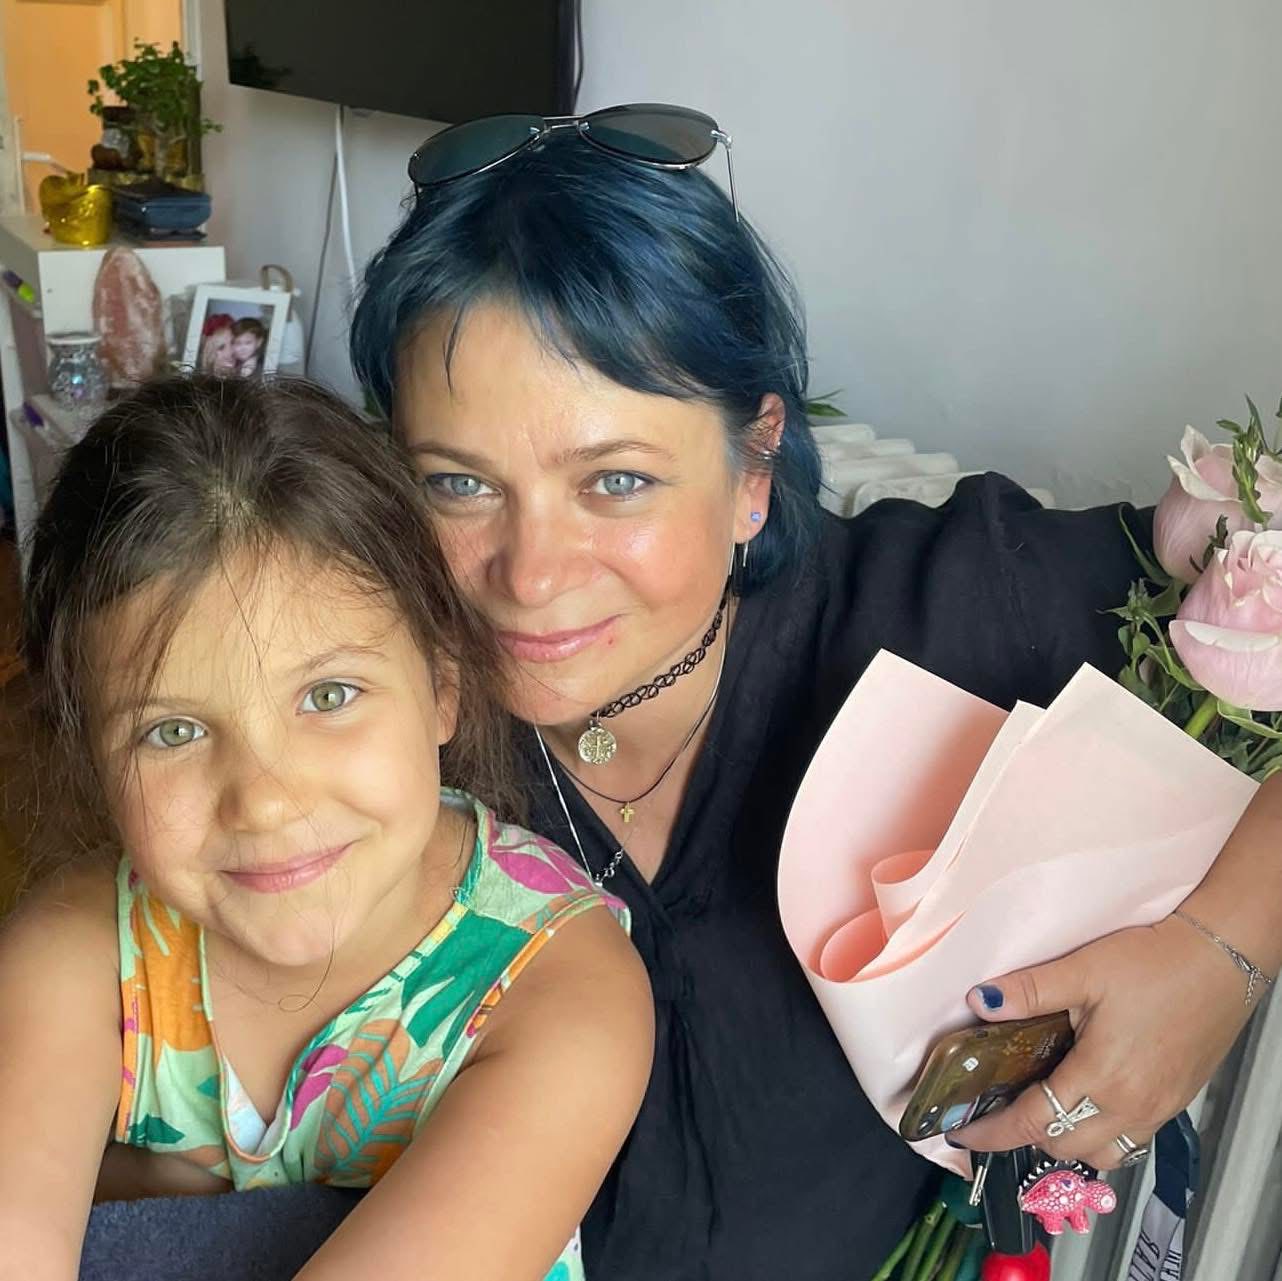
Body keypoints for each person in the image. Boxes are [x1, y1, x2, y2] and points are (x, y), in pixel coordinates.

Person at [346, 111, 1282, 1280]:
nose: (528, 575)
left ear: (753, 469)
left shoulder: (948, 611)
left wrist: (1221, 953)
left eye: (616, 481)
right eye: (458, 485)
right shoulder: (361, 709)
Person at [0, 376, 653, 1281]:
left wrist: (142, 1188)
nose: (265, 803)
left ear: (443, 685)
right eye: (173, 731)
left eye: (329, 694)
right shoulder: (80, 955)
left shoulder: (559, 988)